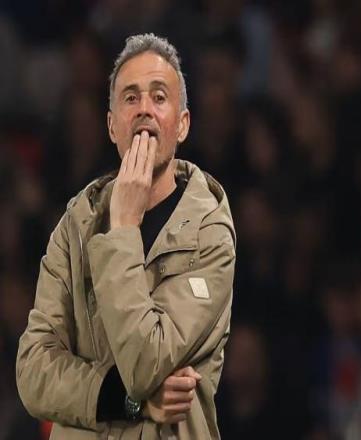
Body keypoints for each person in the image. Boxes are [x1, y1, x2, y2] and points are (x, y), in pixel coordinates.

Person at [15, 33, 236, 439]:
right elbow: (32, 371)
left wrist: (122, 229)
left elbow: (146, 362)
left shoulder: (210, 233)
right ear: (112, 126)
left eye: (159, 97)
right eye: (130, 98)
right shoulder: (75, 225)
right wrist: (127, 401)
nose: (144, 109)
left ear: (182, 124)